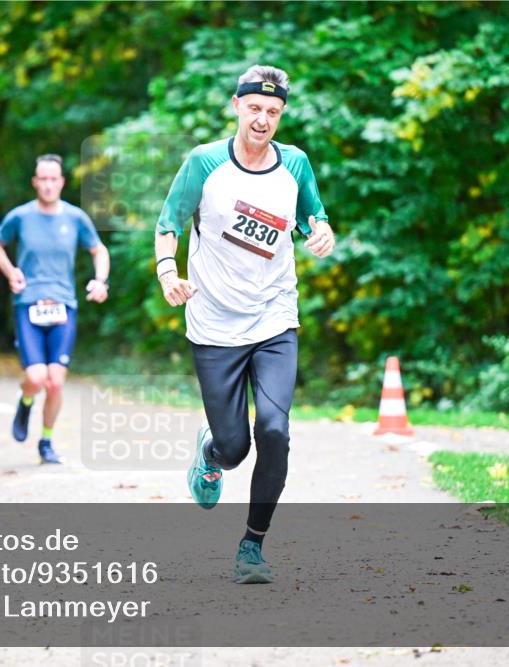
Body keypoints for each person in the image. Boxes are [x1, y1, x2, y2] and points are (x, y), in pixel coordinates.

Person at [154, 65, 336, 583]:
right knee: (235, 448)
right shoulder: (204, 163)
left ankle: (251, 547)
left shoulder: (295, 164)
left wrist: (322, 233)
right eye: (254, 108)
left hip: (275, 318)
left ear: (281, 115)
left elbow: (313, 217)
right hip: (214, 324)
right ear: (237, 105)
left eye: (273, 112)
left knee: (274, 431)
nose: (263, 119)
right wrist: (169, 272)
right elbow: (168, 226)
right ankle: (211, 451)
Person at [0, 154, 110, 464]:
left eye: (54, 179)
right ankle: (26, 399)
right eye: (43, 179)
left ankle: (46, 442)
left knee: (56, 381)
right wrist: (10, 271)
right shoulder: (21, 217)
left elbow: (99, 249)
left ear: (62, 182)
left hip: (64, 306)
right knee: (37, 377)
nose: (48, 184)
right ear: (35, 182)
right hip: (28, 305)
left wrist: (100, 280)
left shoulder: (75, 218)